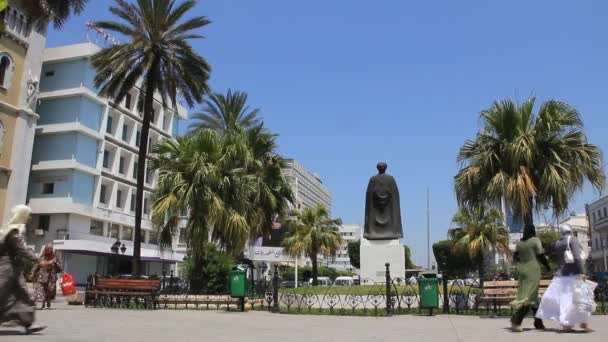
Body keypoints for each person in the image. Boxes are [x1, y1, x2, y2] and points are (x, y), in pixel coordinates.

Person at [536, 224, 591, 332]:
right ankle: (574, 324)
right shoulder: (573, 240)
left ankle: (579, 323)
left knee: (567, 300)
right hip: (572, 274)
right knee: (581, 298)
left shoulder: (557, 243)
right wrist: (582, 271)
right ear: (570, 230)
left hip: (560, 276)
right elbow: (577, 257)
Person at [0, 205, 46, 334]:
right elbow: (22, 250)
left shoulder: (15, 231)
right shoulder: (13, 232)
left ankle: (26, 323)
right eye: (28, 215)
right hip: (6, 269)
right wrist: (39, 261)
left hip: (15, 269)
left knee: (25, 295)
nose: (30, 218)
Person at [510, 224, 551, 332]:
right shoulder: (535, 240)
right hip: (533, 270)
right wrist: (547, 266)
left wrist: (519, 265)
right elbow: (541, 255)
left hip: (522, 270)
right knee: (529, 296)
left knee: (530, 295)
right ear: (533, 230)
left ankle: (538, 322)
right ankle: (517, 320)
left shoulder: (519, 243)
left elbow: (515, 257)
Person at [31, 243, 62, 309]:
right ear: (45, 249)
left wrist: (55, 263)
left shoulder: (55, 258)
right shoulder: (42, 257)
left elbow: (60, 268)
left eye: (50, 248)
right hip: (41, 277)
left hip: (51, 278)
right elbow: (36, 266)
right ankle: (39, 304)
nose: (49, 250)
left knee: (49, 291)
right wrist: (32, 273)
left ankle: (47, 302)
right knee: (39, 291)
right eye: (48, 248)